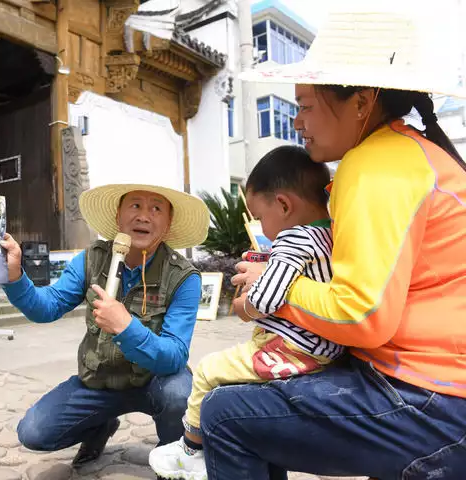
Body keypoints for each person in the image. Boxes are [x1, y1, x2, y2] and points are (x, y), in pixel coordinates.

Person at [198, 4, 466, 479]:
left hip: (431, 397)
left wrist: (272, 285)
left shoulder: (375, 166)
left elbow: (361, 314)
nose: (297, 122)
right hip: (440, 383)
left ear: (362, 102)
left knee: (225, 414)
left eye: (304, 106)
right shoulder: (408, 153)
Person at [149, 146, 342, 479]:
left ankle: (192, 449)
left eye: (259, 216)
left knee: (208, 370)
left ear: (283, 205)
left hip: (296, 349)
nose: (261, 226)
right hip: (325, 348)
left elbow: (265, 300)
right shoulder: (328, 233)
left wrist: (243, 305)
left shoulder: (294, 238)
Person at [0, 182, 209, 467]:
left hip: (153, 381)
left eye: (156, 208)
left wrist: (126, 327)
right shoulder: (91, 259)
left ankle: (171, 457)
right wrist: (15, 275)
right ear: (117, 217)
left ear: (168, 224)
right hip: (98, 382)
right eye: (135, 205)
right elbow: (46, 307)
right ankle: (100, 426)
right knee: (33, 432)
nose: (144, 216)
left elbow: (174, 355)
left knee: (179, 394)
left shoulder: (184, 277)